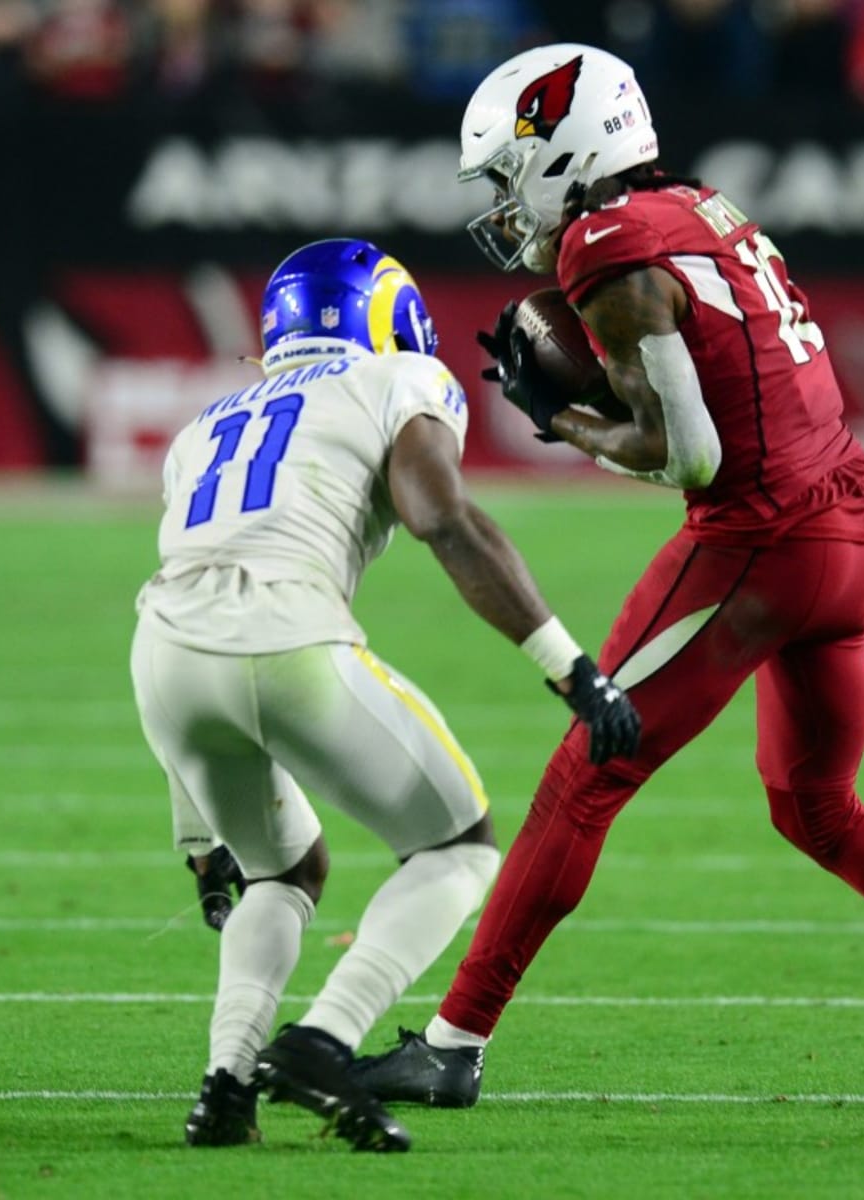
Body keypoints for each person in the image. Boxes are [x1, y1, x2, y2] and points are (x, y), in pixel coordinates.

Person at [350, 43, 864, 1109]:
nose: (507, 202)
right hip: (852, 520)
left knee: (583, 773)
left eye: (512, 171)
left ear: (565, 149)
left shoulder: (605, 243)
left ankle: (453, 1045)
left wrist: (562, 419)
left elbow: (689, 458)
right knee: (815, 807)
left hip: (763, 538)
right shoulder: (697, 205)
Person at [129, 236, 640, 1150]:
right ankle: (323, 1042)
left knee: (283, 872)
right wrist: (570, 664)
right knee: (460, 847)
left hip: (163, 658)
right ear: (385, 313)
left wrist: (200, 835)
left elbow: (195, 598)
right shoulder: (401, 379)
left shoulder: (205, 424)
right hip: (286, 638)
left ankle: (226, 1088)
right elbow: (442, 517)